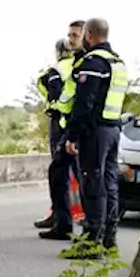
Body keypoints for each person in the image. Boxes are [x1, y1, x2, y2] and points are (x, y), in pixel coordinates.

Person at [60, 18, 128, 258]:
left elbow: (84, 103)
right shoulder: (118, 62)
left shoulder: (93, 62)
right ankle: (109, 240)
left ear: (89, 35)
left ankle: (91, 243)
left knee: (92, 185)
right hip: (113, 130)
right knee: (109, 185)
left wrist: (72, 135)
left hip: (95, 131)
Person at [38, 21, 88, 237]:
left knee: (78, 173)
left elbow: (58, 94)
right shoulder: (79, 62)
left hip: (71, 124)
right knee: (64, 172)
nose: (71, 39)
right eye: (69, 36)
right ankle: (67, 222)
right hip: (70, 123)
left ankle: (71, 223)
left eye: (74, 35)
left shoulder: (80, 64)